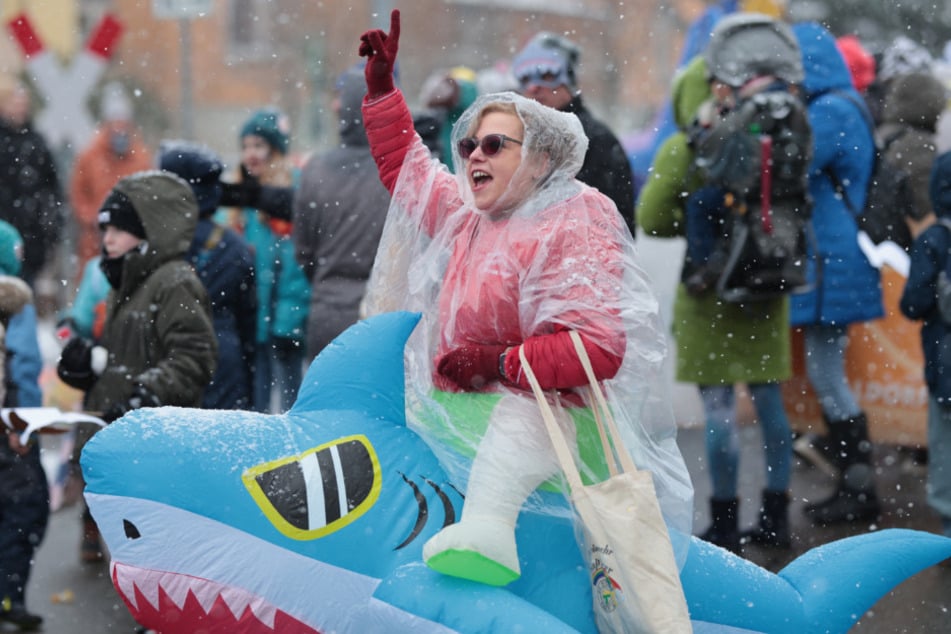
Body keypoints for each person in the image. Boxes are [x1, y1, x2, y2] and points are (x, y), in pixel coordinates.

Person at [359, 10, 692, 587]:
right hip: (465, 424)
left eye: (494, 144)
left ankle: (490, 533)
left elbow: (594, 351)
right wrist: (385, 92)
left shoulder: (574, 215)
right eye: (468, 145)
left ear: (540, 157)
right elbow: (409, 172)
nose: (474, 156)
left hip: (550, 441)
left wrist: (494, 363)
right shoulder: (468, 215)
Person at [637, 26, 803, 551]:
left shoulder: (687, 146)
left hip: (709, 295)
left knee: (718, 414)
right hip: (766, 283)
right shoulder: (774, 130)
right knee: (771, 407)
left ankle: (725, 522)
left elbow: (653, 218)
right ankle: (776, 516)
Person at [56, 171, 217, 563]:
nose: (107, 239)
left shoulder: (172, 282)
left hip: (156, 437)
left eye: (119, 229)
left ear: (150, 231)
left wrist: (148, 391)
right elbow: (122, 354)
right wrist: (85, 367)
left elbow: (195, 356)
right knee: (135, 543)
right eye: (104, 229)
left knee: (159, 541)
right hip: (124, 431)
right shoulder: (126, 279)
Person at [790, 22, 883, 525]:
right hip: (838, 252)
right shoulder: (846, 104)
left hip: (831, 257)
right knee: (829, 371)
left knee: (829, 374)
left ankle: (857, 487)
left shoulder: (828, 111)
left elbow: (793, 165)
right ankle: (853, 481)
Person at [293, 66, 389, 360]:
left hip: (327, 314)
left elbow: (304, 252)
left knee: (327, 402)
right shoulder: (396, 172)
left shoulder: (317, 170)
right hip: (380, 314)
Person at [219, 108, 309, 412]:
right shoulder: (236, 193)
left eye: (258, 146)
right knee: (254, 400)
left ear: (274, 149)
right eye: (245, 147)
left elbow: (298, 265)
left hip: (284, 316)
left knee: (289, 398)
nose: (250, 154)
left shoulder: (290, 190)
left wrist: (288, 317)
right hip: (250, 315)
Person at [159, 141, 257, 410]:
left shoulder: (156, 243)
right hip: (224, 357)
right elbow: (248, 320)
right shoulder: (235, 247)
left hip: (168, 358)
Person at [511, 32, 636, 237]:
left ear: (568, 81)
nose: (534, 87)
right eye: (525, 78)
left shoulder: (596, 140)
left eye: (547, 75)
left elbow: (618, 228)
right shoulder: (514, 135)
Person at [899, 150, 951, 540]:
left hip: (945, 363)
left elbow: (913, 303)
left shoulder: (935, 239)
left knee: (945, 443)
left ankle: (948, 523)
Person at [0, 223, 46, 632]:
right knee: (25, 509)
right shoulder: (14, 303)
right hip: (11, 428)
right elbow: (23, 368)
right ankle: (8, 595)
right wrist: (21, 424)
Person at [69, 81, 153, 274]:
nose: (120, 130)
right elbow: (78, 193)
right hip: (95, 238)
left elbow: (149, 194)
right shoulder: (90, 156)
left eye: (124, 124)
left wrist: (132, 222)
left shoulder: (140, 156)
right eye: (116, 124)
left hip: (131, 236)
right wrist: (94, 218)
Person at [0, 75, 63, 289]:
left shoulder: (37, 142)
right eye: (14, 103)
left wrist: (52, 225)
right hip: (5, 231)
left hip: (32, 237)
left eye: (23, 103)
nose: (19, 108)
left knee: (25, 293)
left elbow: (52, 186)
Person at [876, 71, 947, 240]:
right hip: (906, 237)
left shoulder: (885, 132)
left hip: (882, 232)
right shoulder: (917, 144)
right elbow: (926, 205)